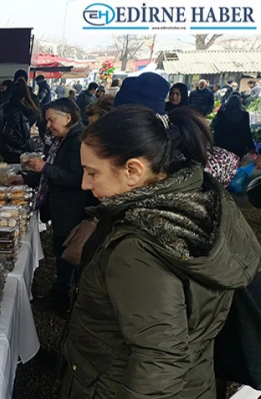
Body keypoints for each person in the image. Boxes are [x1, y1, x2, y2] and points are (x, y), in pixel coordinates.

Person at [59, 104, 260, 398]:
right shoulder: (202, 201)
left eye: (92, 172)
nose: (84, 183)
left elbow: (160, 360)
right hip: (193, 380)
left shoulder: (139, 247)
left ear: (133, 170)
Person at [25, 98, 90, 315]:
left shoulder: (77, 141)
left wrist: (45, 168)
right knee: (61, 250)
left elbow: (74, 177)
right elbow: (53, 175)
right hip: (62, 208)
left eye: (52, 120)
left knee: (66, 252)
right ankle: (60, 292)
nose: (49, 125)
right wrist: (28, 178)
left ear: (68, 117)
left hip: (71, 209)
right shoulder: (63, 139)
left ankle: (61, 297)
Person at [0, 79, 40, 164]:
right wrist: (26, 144)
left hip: (4, 147)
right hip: (12, 149)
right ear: (25, 94)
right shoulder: (17, 110)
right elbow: (9, 134)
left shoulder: (4, 106)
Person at [212, 93, 255, 158]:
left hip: (222, 144)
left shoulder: (221, 113)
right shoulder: (245, 115)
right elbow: (246, 131)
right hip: (238, 146)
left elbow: (216, 127)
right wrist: (251, 147)